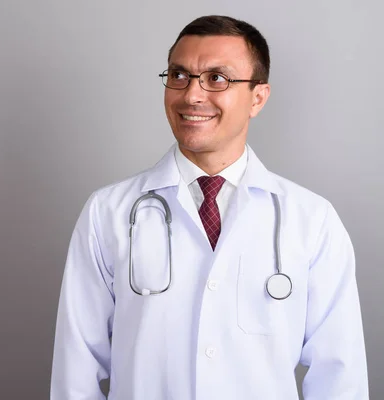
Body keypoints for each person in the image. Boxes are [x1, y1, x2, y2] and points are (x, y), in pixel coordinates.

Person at [50, 15, 368, 400]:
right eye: (179, 75)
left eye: (217, 78)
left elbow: (340, 375)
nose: (191, 95)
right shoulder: (109, 212)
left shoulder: (312, 220)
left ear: (257, 98)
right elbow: (76, 370)